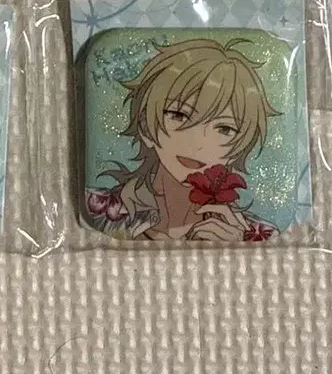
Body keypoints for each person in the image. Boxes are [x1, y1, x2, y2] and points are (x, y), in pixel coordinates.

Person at [86, 39, 279, 241]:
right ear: (146, 127)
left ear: (238, 149)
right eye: (179, 115)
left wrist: (236, 250)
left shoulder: (259, 236)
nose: (197, 143)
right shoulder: (96, 211)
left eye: (224, 129)